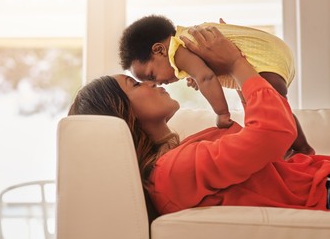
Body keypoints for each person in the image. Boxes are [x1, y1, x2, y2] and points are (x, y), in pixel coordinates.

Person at [69, 25, 330, 216]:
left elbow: (267, 138)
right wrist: (236, 62)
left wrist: (239, 66)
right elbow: (272, 133)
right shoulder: (171, 172)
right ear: (123, 114)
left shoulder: (184, 152)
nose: (151, 83)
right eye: (136, 84)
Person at [119, 15, 314, 157]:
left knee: (274, 109)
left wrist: (221, 113)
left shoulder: (179, 48)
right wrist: (197, 75)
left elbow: (206, 77)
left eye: (151, 75)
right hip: (274, 55)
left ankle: (303, 149)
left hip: (264, 58)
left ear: (159, 49)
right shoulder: (189, 41)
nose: (156, 84)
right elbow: (205, 73)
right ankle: (294, 149)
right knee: (267, 107)